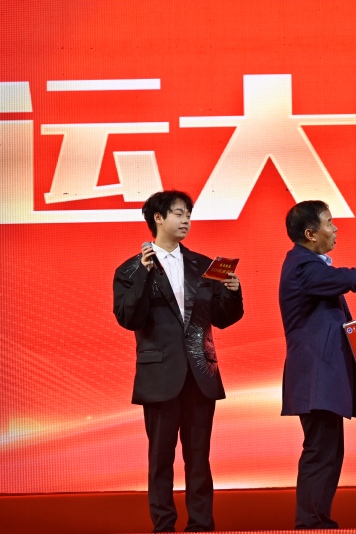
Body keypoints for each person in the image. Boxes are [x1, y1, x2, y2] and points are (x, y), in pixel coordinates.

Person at [113, 190, 244, 532]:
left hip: (200, 373)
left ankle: (201, 524)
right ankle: (164, 526)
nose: (186, 220)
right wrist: (144, 275)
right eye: (178, 213)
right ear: (158, 218)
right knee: (160, 458)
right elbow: (129, 318)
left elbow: (223, 317)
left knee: (199, 457)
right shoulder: (130, 269)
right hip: (159, 376)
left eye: (188, 214)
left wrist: (232, 292)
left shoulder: (204, 266)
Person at [279, 200, 356, 529]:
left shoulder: (308, 265)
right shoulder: (304, 266)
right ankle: (309, 523)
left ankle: (318, 519)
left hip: (323, 378)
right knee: (320, 451)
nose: (335, 229)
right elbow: (346, 277)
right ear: (310, 233)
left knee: (330, 452)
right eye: (329, 223)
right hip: (315, 377)